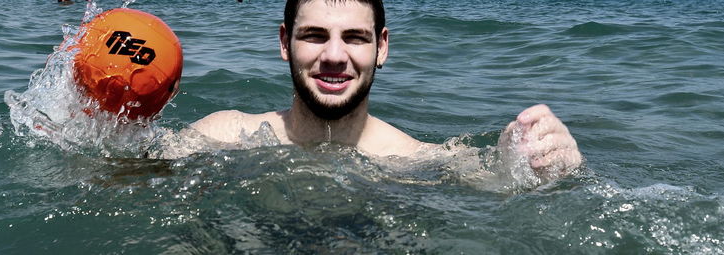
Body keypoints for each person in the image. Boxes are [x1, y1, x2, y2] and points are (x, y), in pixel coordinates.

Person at [191, 0, 583, 174]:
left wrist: (542, 168)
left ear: (382, 47)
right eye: (313, 35)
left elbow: (504, 187)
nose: (333, 55)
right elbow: (133, 175)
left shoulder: (424, 161)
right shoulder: (221, 134)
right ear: (284, 43)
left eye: (355, 38)